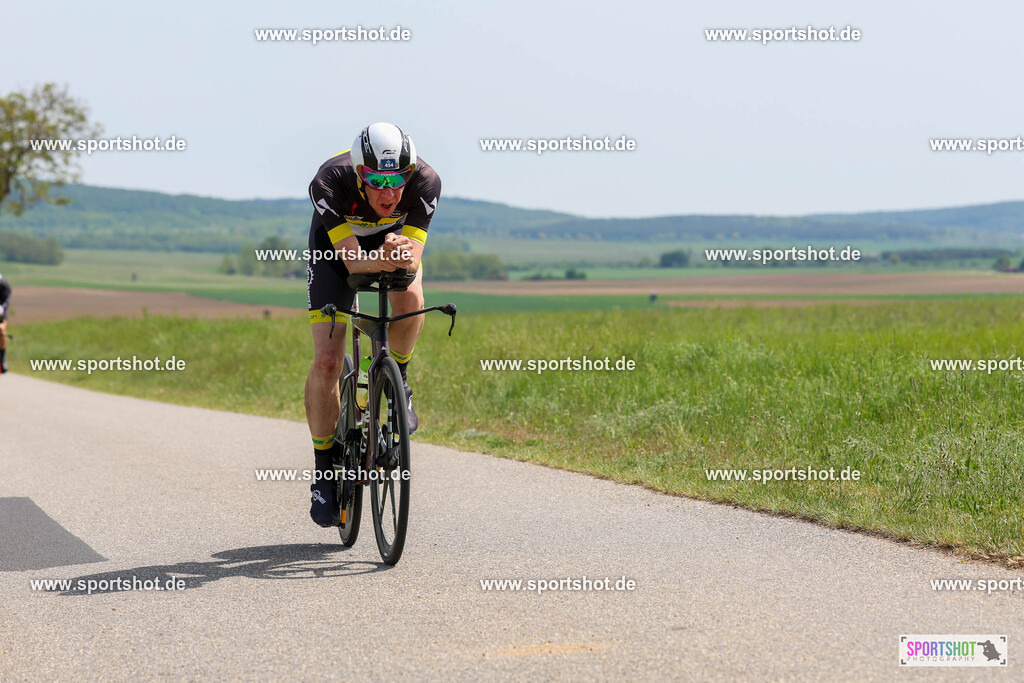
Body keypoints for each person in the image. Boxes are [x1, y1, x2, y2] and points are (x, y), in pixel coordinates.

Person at [303, 122, 441, 527]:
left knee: (411, 298)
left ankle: (398, 379)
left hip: (389, 242)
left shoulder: (426, 182)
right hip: (336, 250)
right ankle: (324, 471)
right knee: (328, 361)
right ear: (358, 171)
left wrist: (401, 254)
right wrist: (381, 258)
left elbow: (412, 258)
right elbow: (351, 263)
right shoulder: (328, 181)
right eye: (376, 180)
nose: (388, 191)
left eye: (397, 179)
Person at [0, 273, 10, 374]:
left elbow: (6, 300)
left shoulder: (5, 285)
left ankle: (2, 360)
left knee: (1, 329)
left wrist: (2, 307)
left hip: (1, 313)